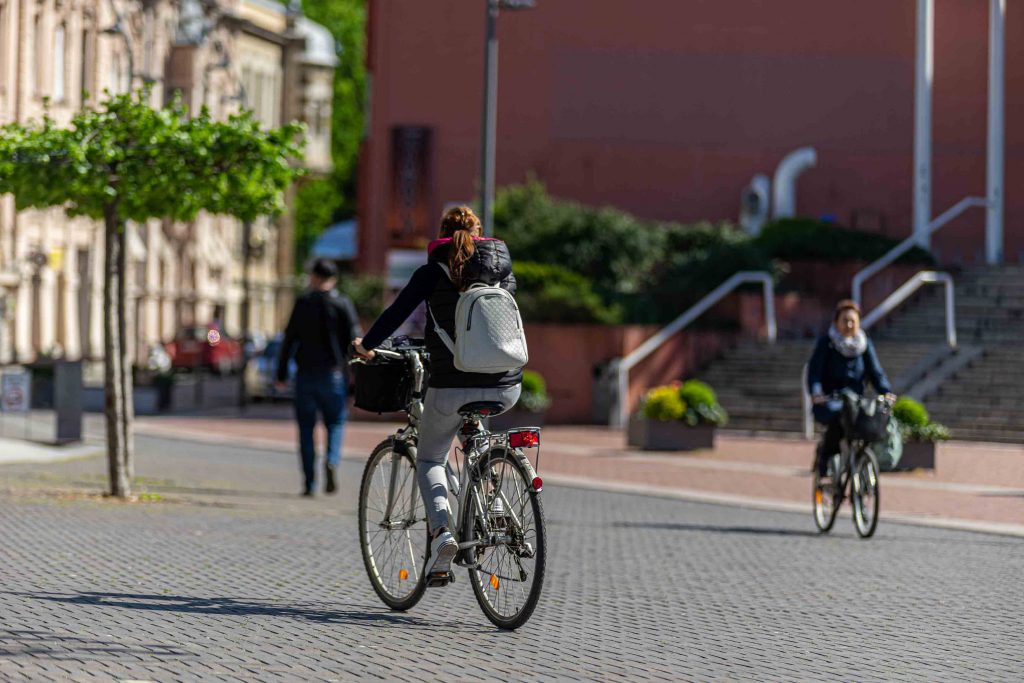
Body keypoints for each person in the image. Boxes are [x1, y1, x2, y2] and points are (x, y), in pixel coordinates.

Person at [353, 206, 522, 579]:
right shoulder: (503, 271)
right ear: (479, 232)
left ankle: (442, 533)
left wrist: (367, 344)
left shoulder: (432, 272)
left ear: (443, 234)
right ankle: (493, 503)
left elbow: (396, 313)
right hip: (507, 385)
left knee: (430, 458)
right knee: (474, 437)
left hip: (451, 384)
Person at [277, 258, 362, 497]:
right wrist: (356, 376)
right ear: (333, 279)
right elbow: (355, 341)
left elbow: (289, 339)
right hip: (334, 376)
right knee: (335, 423)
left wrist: (281, 374)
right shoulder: (343, 303)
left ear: (314, 277)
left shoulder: (303, 303)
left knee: (306, 430)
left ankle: (310, 483)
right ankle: (332, 460)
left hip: (305, 375)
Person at [806, 299, 895, 477]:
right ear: (836, 323)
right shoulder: (827, 343)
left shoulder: (864, 344)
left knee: (869, 423)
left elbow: (876, 372)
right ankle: (825, 460)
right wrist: (816, 393)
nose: (848, 325)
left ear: (859, 323)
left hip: (856, 400)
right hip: (832, 399)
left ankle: (860, 461)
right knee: (837, 422)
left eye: (852, 321)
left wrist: (886, 391)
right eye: (844, 321)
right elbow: (814, 372)